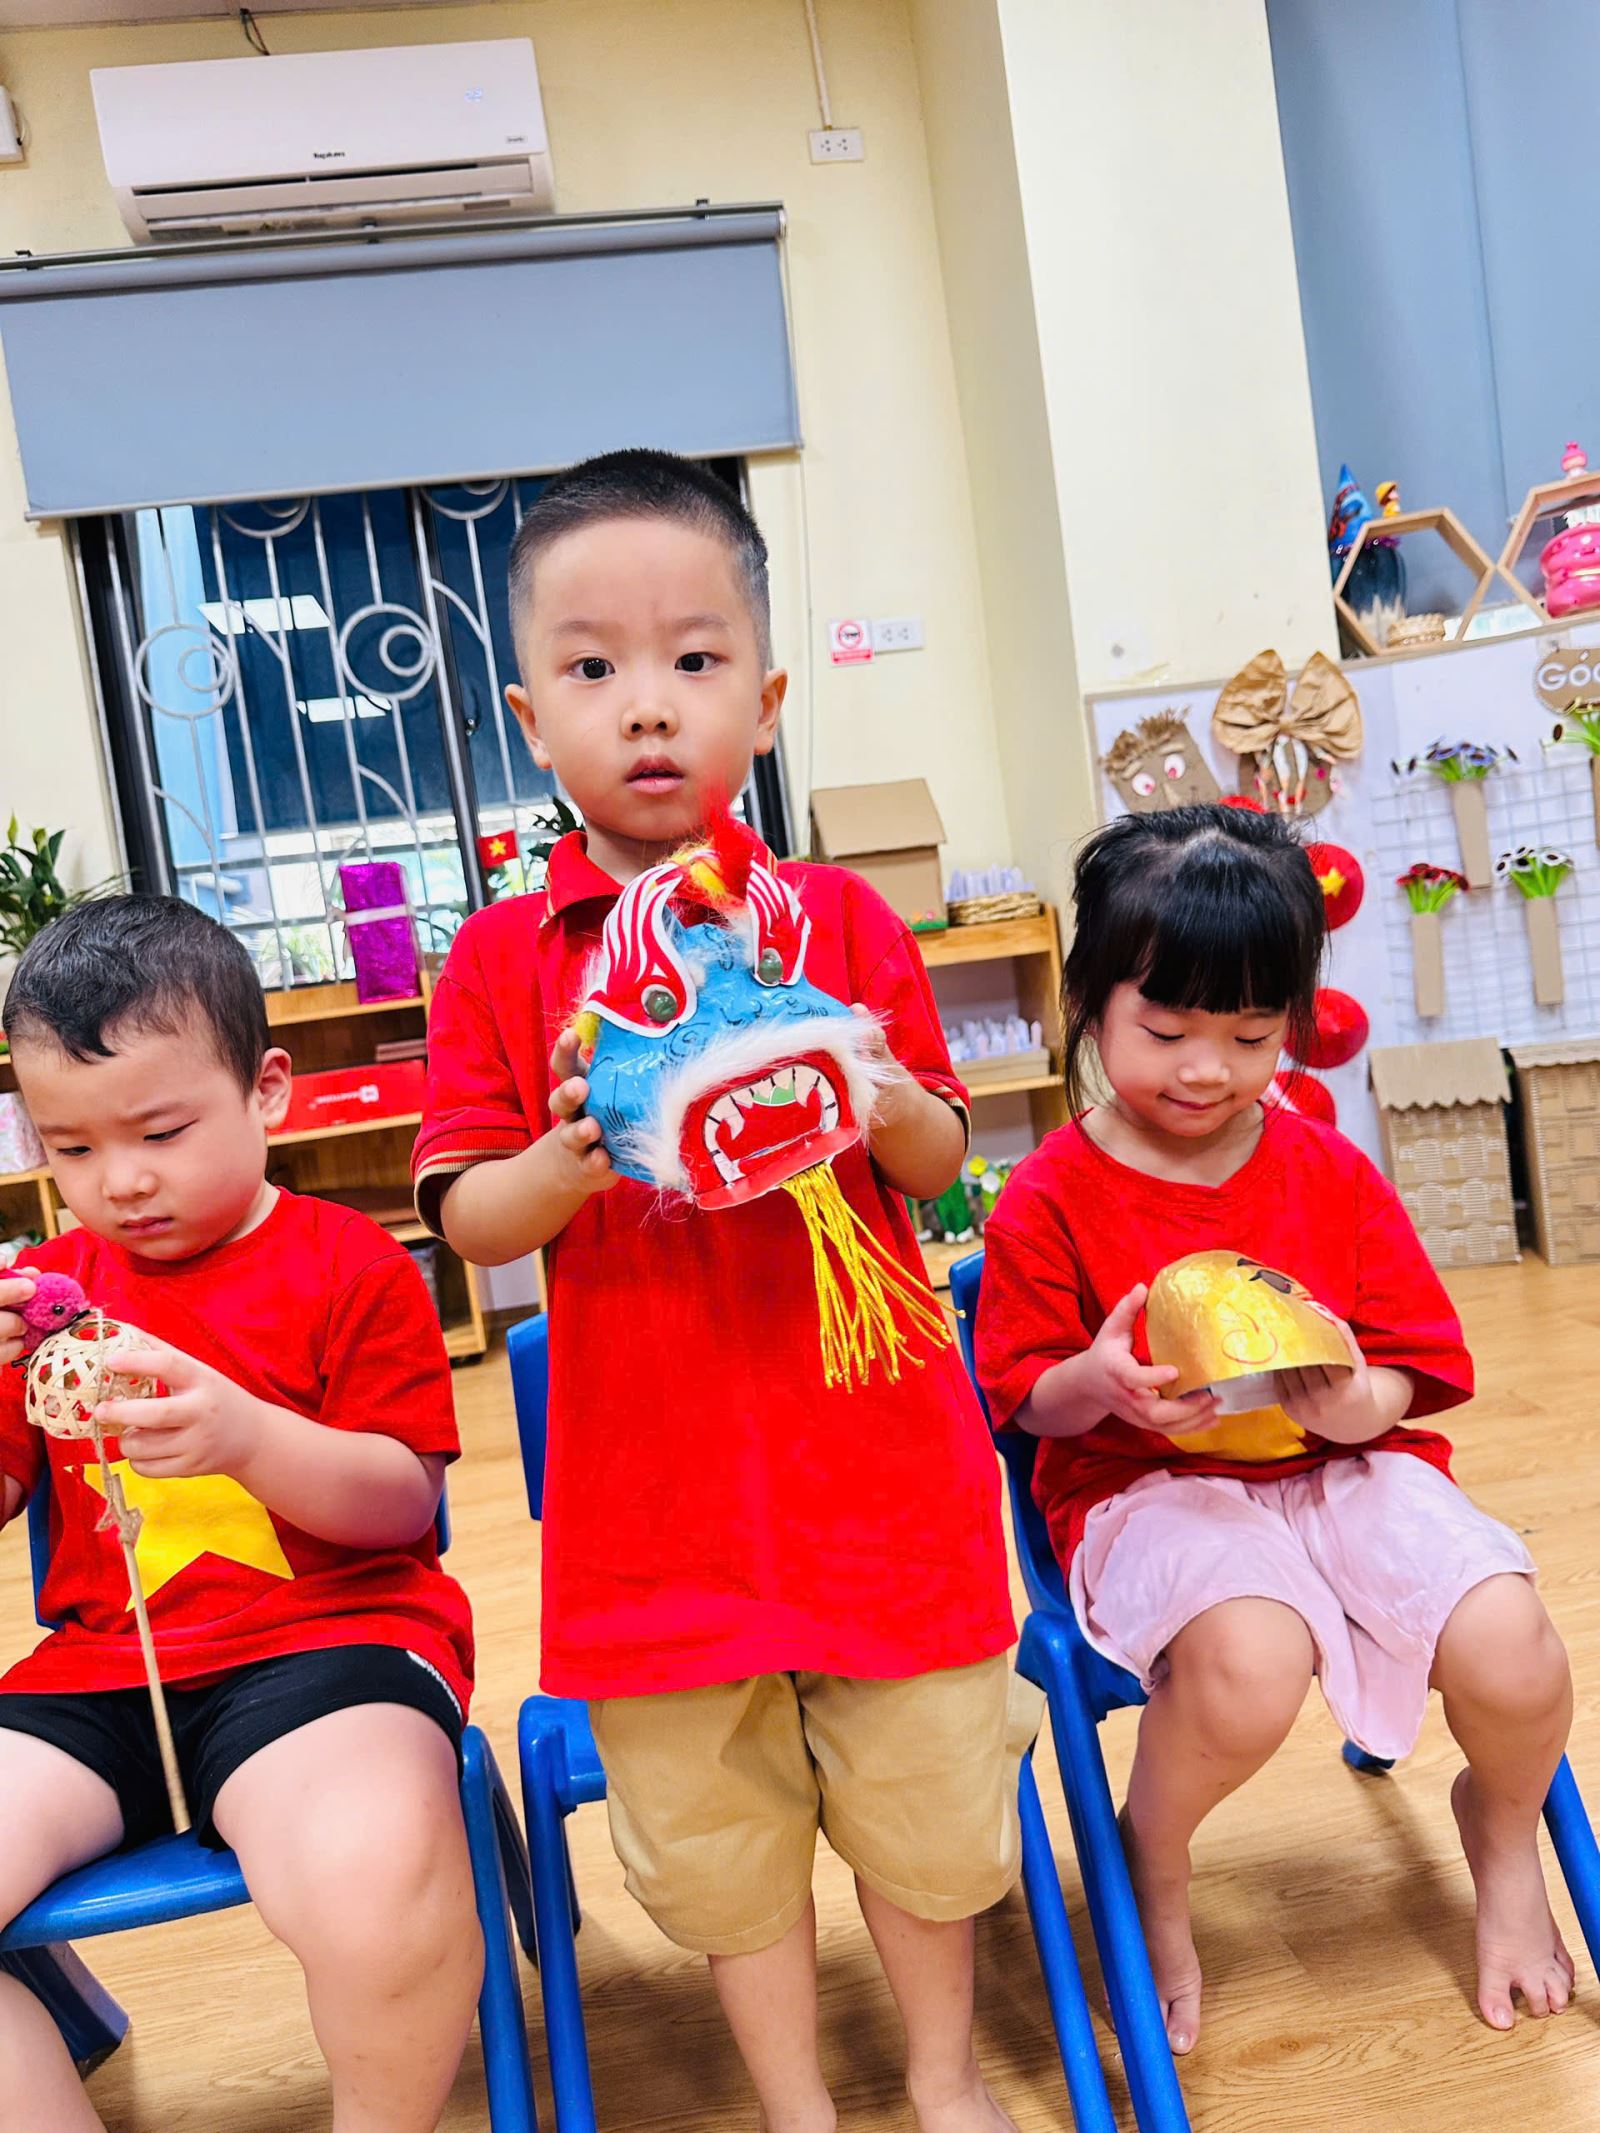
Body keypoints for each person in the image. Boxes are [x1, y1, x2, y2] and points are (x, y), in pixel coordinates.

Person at [415, 449, 1027, 2133]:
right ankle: (796, 2101)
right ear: (532, 720)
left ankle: (945, 2076)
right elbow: (470, 1217)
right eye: (592, 668)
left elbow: (933, 1162)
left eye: (693, 659)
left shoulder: (834, 918)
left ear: (762, 701)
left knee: (927, 1804)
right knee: (721, 1844)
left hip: (885, 1482)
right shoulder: (501, 961)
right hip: (658, 1513)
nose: (647, 703)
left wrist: (860, 1073)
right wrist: (575, 1146)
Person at [976, 803, 1575, 2053]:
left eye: (1251, 1036)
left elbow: (1409, 1361)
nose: (1206, 1069)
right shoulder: (1049, 1194)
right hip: (1145, 1485)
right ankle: (1151, 1855)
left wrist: (1357, 1403)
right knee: (1250, 1664)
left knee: (1515, 1644)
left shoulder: (1325, 1169)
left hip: (1341, 1464)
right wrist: (1099, 1381)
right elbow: (1022, 1395)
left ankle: (1504, 1832)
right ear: (1088, 1004)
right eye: (1165, 1032)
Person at [0, 896, 480, 2133]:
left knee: (373, 1884)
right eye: (71, 1148)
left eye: (161, 1130)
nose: (121, 1181)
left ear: (267, 1091)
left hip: (330, 1648)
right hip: (100, 1673)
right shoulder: (46, 1298)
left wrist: (248, 1439)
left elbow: (402, 1502)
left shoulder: (351, 1264)